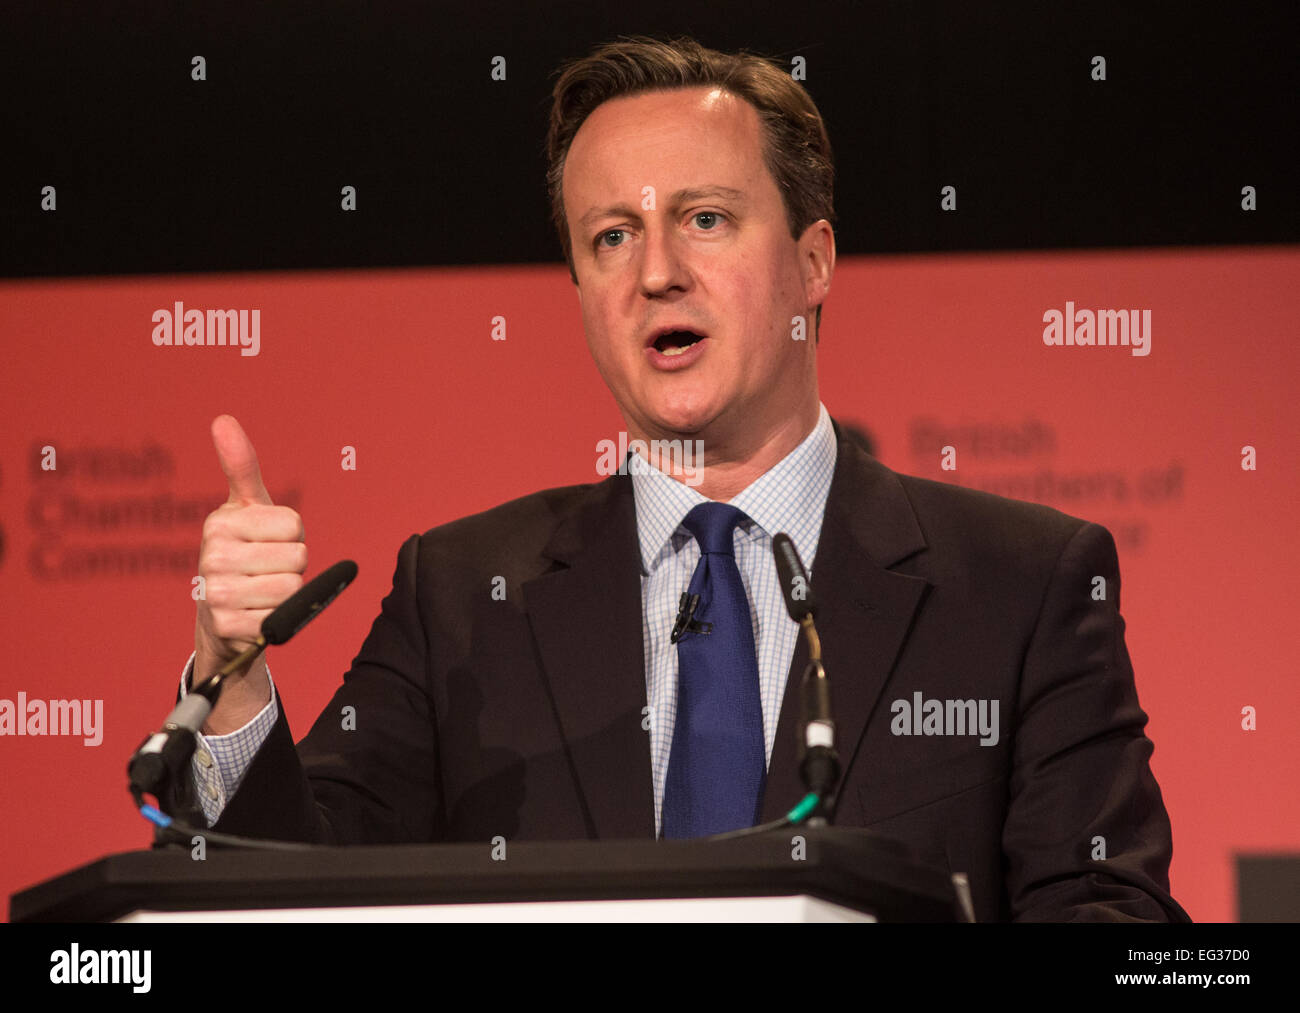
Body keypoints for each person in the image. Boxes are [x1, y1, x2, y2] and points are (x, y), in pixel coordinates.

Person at [164, 36, 1187, 922]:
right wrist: (234, 677)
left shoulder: (1020, 583)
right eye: (610, 236)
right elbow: (290, 893)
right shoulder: (462, 594)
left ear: (814, 258)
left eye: (704, 218)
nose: (655, 270)